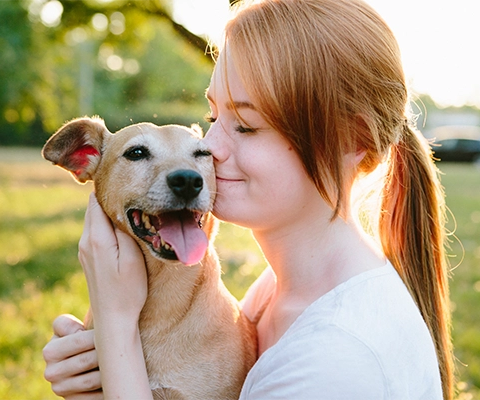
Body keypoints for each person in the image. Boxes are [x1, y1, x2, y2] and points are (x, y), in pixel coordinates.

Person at [41, 0, 453, 398]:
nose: (208, 148)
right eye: (213, 117)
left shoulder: (338, 361)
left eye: (248, 126)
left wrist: (114, 324)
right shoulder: (280, 288)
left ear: (352, 139)